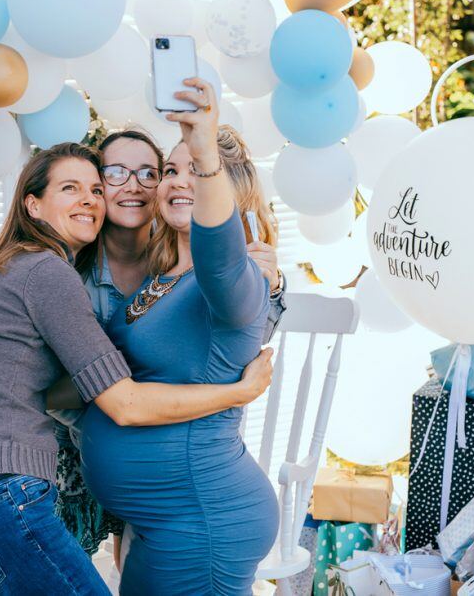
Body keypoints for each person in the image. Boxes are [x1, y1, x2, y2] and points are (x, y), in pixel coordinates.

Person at [0, 142, 274, 596]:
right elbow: (124, 403)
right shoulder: (48, 272)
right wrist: (238, 393)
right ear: (33, 204)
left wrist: (273, 280)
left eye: (94, 188)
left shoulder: (34, 266)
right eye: (70, 188)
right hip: (0, 495)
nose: (90, 199)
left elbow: (225, 273)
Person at [81, 80, 279, 595]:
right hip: (158, 519)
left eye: (197, 170)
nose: (178, 181)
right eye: (172, 170)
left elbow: (220, 249)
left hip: (203, 519)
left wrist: (205, 150)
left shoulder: (234, 279)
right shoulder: (161, 277)